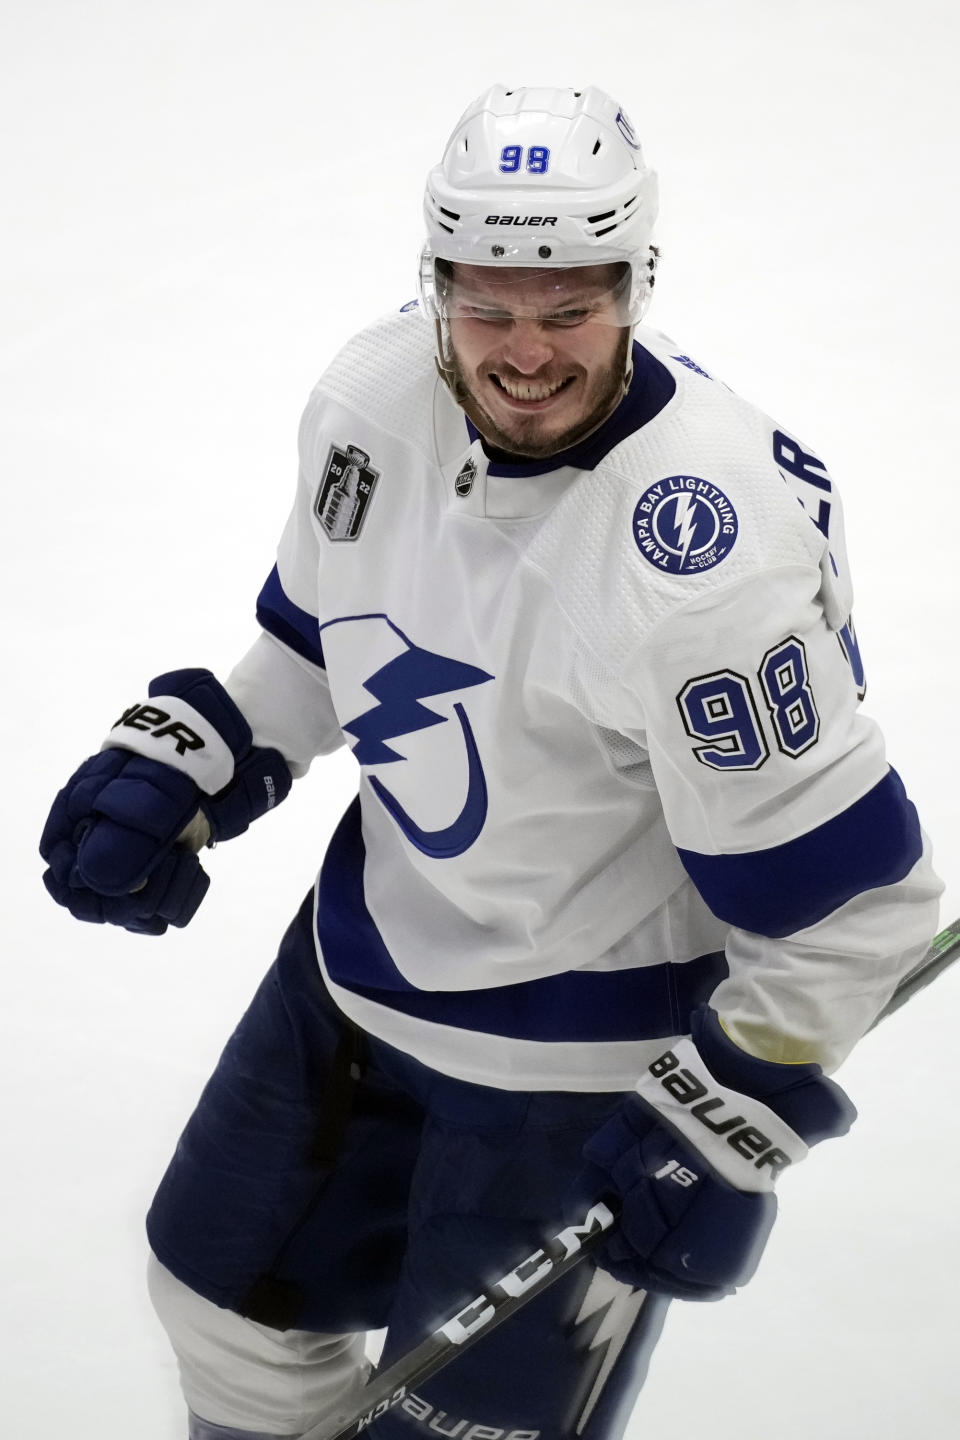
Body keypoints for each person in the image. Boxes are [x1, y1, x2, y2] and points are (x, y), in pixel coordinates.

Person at [40, 85, 942, 1440]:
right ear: (437, 283)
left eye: (569, 306)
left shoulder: (702, 564)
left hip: (573, 1080)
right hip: (351, 991)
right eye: (488, 305)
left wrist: (732, 1105)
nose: (525, 350)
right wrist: (204, 752)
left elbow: (856, 909)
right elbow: (322, 642)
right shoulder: (371, 397)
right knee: (219, 1311)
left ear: (636, 284)